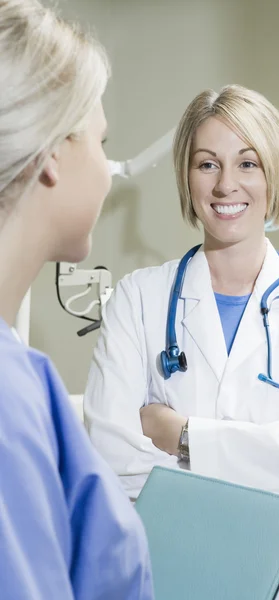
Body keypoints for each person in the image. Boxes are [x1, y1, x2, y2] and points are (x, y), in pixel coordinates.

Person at [84, 84, 279, 599]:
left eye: (247, 163)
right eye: (206, 164)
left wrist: (185, 436)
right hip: (176, 579)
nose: (225, 185)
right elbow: (115, 463)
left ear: (274, 174)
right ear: (186, 176)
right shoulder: (138, 299)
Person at [0, 1, 153, 598]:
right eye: (101, 141)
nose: (111, 169)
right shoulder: (8, 398)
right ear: (52, 155)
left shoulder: (22, 371)